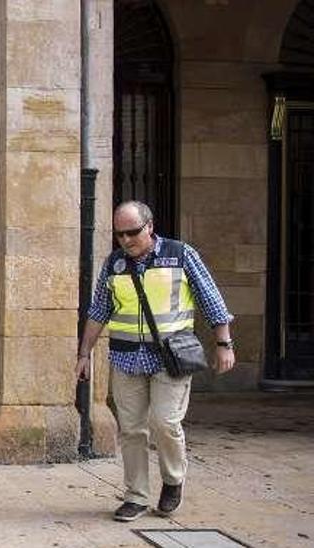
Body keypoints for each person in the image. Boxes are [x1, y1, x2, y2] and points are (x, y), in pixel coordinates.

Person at [76, 200, 235, 522]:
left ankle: (173, 480)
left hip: (170, 356)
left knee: (165, 423)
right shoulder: (114, 264)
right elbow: (98, 312)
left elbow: (212, 301)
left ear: (149, 226)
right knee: (131, 430)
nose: (126, 241)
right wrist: (83, 353)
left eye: (132, 233)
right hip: (126, 357)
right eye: (119, 235)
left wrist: (224, 344)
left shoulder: (181, 255)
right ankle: (135, 495)